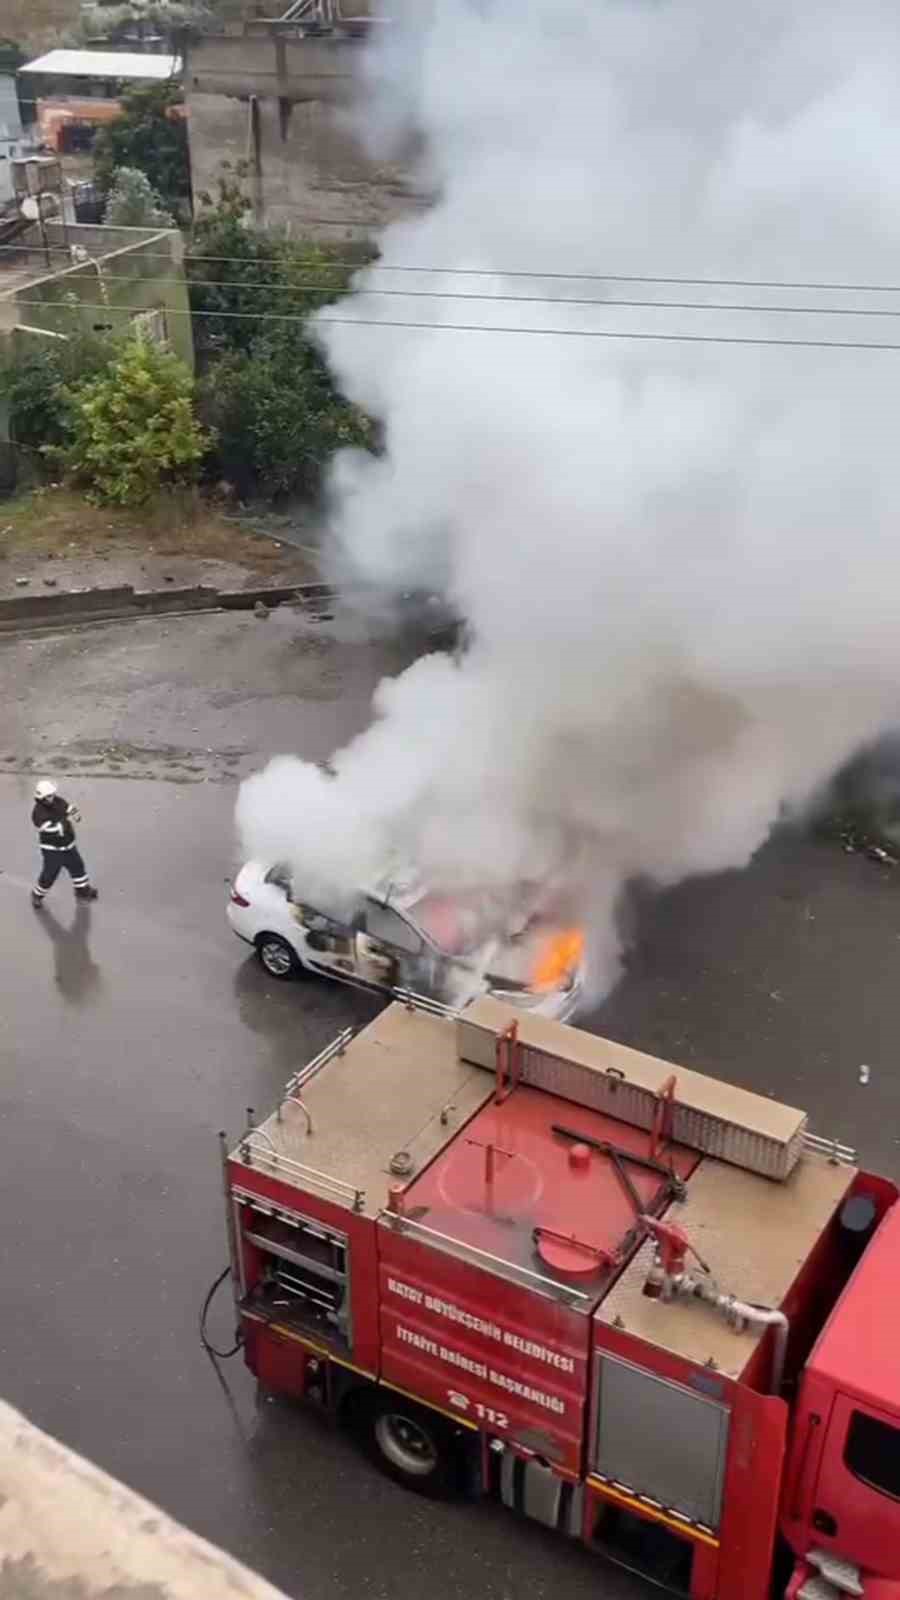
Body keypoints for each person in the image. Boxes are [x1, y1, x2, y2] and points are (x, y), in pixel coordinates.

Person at [31, 779, 98, 907]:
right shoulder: (39, 812)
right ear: (42, 797)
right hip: (52, 850)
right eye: (49, 795)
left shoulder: (57, 801)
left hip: (68, 845)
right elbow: (46, 828)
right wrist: (63, 823)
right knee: (49, 874)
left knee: (78, 867)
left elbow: (68, 808)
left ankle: (82, 889)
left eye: (52, 794)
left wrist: (74, 813)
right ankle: (37, 894)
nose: (52, 797)